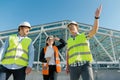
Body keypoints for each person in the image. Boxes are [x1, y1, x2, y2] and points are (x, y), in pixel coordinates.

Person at [66, 5, 102, 80]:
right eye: (69, 27)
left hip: (85, 65)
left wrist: (96, 17)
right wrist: (67, 66)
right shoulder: (69, 41)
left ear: (77, 27)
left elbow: (94, 30)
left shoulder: (83, 36)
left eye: (72, 25)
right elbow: (68, 54)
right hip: (73, 67)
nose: (71, 27)